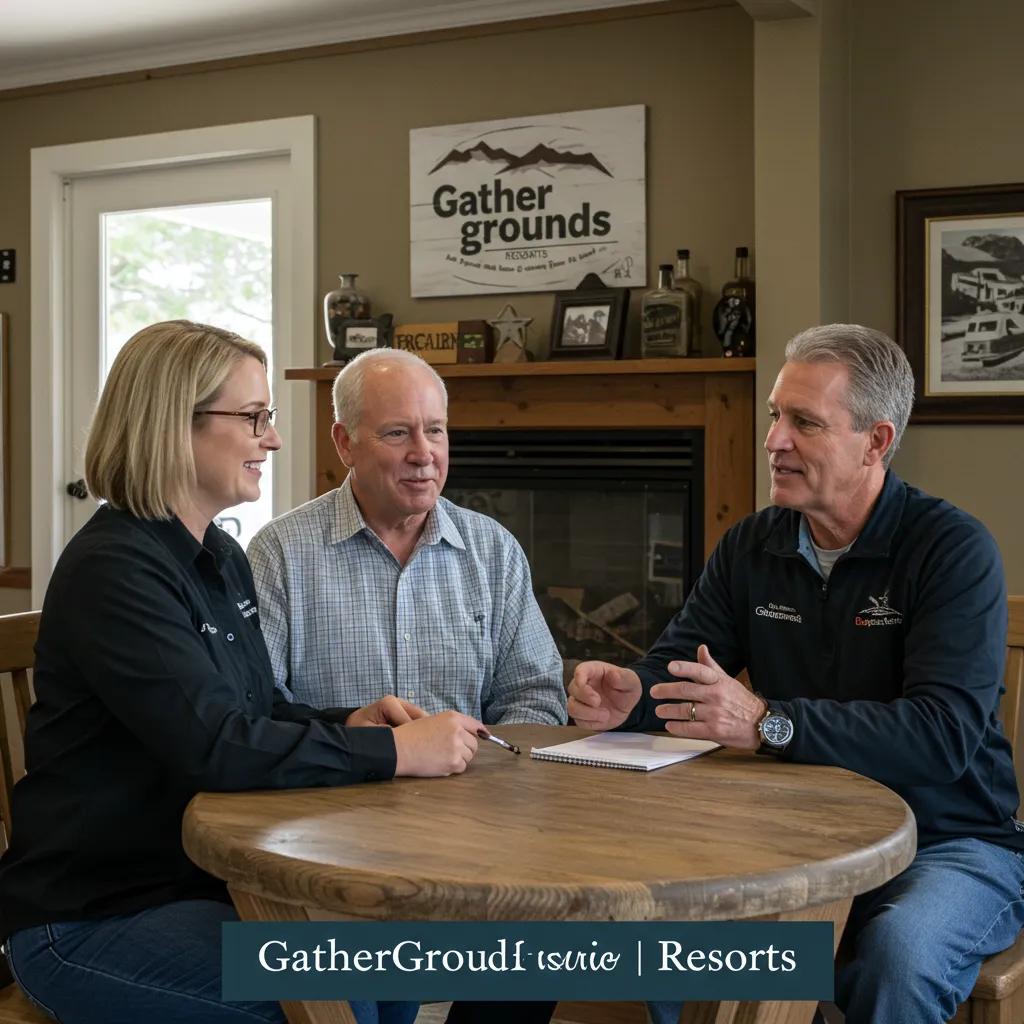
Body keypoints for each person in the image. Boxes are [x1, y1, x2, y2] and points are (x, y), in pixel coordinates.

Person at [0, 321, 486, 1024]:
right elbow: (218, 746)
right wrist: (393, 751)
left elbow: (253, 708)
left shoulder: (220, 559)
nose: (275, 440)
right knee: (341, 995)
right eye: (254, 417)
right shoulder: (116, 570)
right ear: (174, 424)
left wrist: (347, 721)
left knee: (391, 961)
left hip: (191, 889)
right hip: (88, 919)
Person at [568, 324, 1024, 1024]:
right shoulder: (752, 545)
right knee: (662, 936)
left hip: (949, 841)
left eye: (804, 422)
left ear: (875, 441)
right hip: (789, 838)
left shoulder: (951, 549)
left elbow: (942, 737)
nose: (774, 439)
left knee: (897, 955)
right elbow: (683, 671)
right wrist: (633, 694)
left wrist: (766, 721)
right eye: (776, 415)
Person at [247, 347, 566, 729]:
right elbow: (260, 705)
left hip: (470, 782)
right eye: (397, 433)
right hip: (334, 785)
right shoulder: (280, 553)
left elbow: (535, 695)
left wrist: (478, 768)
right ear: (345, 443)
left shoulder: (495, 550)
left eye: (434, 430)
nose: (423, 453)